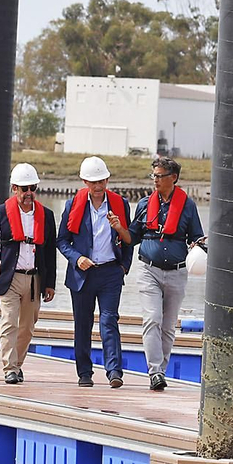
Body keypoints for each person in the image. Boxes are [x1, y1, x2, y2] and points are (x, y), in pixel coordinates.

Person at [128, 156, 205, 391]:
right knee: (152, 318)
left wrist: (198, 247)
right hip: (148, 269)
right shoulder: (143, 205)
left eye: (160, 176)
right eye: (153, 176)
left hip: (177, 272)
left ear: (173, 178)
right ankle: (155, 372)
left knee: (169, 325)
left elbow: (197, 237)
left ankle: (160, 369)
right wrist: (118, 231)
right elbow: (132, 237)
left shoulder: (188, 206)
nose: (155, 180)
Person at [56, 155, 133, 387]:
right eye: (93, 182)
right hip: (82, 274)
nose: (98, 186)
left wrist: (123, 267)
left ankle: (114, 372)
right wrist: (77, 258)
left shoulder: (121, 204)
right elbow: (62, 241)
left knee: (109, 321)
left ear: (108, 179)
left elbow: (128, 238)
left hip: (110, 272)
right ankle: (84, 373)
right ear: (84, 182)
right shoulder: (72, 206)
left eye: (102, 181)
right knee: (82, 323)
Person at [0, 163, 57, 384]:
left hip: (35, 278)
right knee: (9, 322)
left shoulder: (47, 216)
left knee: (27, 327)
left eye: (32, 188)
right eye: (24, 188)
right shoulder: (1, 212)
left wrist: (50, 283)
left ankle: (18, 364)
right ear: (14, 188)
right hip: (9, 276)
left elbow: (50, 251)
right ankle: (9, 368)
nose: (28, 193)